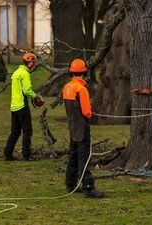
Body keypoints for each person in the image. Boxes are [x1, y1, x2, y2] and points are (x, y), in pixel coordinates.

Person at [63, 59, 105, 198]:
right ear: (84, 72)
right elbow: (87, 112)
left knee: (73, 155)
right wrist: (91, 113)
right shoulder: (82, 89)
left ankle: (70, 183)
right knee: (84, 157)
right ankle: (88, 186)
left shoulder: (67, 87)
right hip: (82, 126)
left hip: (72, 126)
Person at [3, 53, 44, 161]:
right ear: (30, 63)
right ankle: (26, 155)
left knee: (15, 132)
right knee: (28, 131)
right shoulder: (25, 74)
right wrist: (36, 96)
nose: (34, 65)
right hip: (22, 106)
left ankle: (7, 153)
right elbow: (27, 90)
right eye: (33, 63)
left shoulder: (16, 72)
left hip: (14, 107)